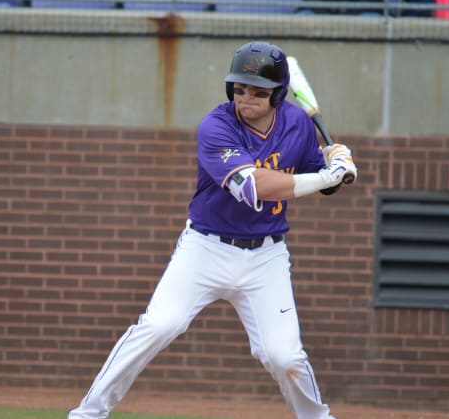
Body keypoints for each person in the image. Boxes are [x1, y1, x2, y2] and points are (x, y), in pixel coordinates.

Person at [67, 41, 358, 419]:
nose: (247, 97)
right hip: (206, 248)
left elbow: (319, 178)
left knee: (283, 355)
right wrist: (324, 176)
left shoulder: (298, 124)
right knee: (158, 326)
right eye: (240, 88)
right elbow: (256, 186)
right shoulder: (216, 126)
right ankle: (87, 414)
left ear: (278, 94)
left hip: (266, 255)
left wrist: (336, 162)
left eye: (258, 91)